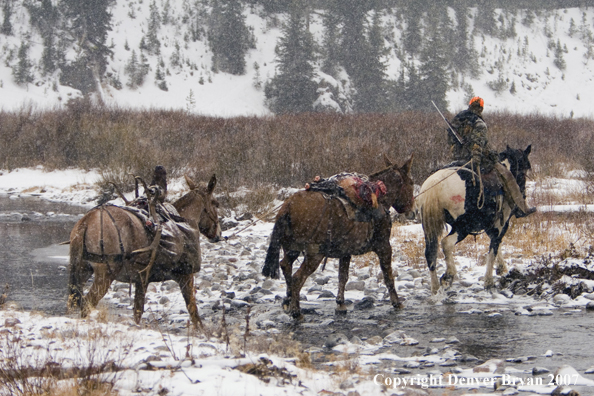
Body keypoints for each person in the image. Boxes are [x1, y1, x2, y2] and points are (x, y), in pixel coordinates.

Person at [448, 96, 536, 218]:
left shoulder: (457, 119)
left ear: (469, 105)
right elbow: (477, 145)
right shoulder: (479, 123)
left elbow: (450, 140)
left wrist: (459, 152)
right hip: (475, 159)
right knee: (507, 177)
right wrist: (476, 160)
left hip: (457, 159)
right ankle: (520, 208)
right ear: (481, 108)